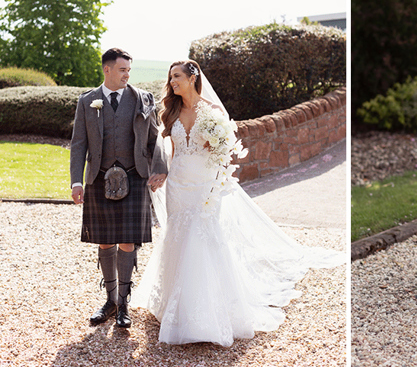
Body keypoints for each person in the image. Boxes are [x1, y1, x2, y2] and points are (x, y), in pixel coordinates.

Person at [132, 59, 345, 346]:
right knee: (178, 237)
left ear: (193, 78)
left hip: (205, 185)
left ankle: (206, 313)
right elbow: (165, 150)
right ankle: (176, 305)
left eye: (177, 76)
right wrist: (161, 173)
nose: (172, 82)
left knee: (203, 238)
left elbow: (224, 152)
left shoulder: (214, 112)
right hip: (179, 183)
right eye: (170, 77)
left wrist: (215, 158)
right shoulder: (170, 112)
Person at [70, 48, 168, 329]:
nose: (127, 75)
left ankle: (124, 303)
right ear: (107, 70)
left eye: (129, 70)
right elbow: (79, 144)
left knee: (127, 241)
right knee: (104, 241)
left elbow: (155, 137)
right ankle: (110, 301)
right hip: (99, 178)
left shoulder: (142, 99)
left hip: (134, 175)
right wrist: (77, 181)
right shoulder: (87, 101)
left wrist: (159, 167)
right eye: (122, 70)